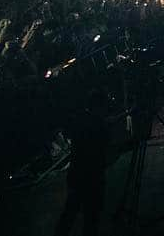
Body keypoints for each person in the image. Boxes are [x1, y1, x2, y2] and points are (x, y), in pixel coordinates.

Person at [55, 88, 111, 236]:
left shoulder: (82, 121)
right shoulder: (98, 125)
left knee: (70, 213)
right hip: (92, 178)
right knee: (90, 218)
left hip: (77, 176)